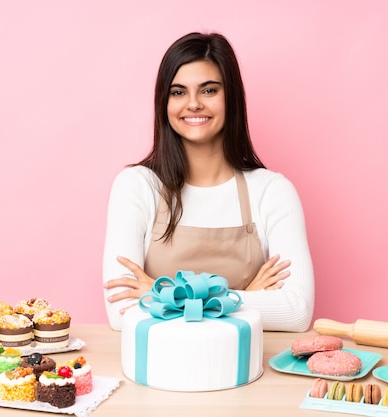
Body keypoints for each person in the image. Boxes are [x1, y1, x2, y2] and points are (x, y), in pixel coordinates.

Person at [102, 32, 314, 332]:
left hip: (248, 373)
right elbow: (121, 312)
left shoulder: (272, 191)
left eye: (209, 90)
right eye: (178, 92)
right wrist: (247, 297)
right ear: (164, 102)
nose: (193, 104)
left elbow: (297, 312)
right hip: (156, 375)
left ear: (231, 97)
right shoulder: (136, 186)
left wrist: (162, 296)